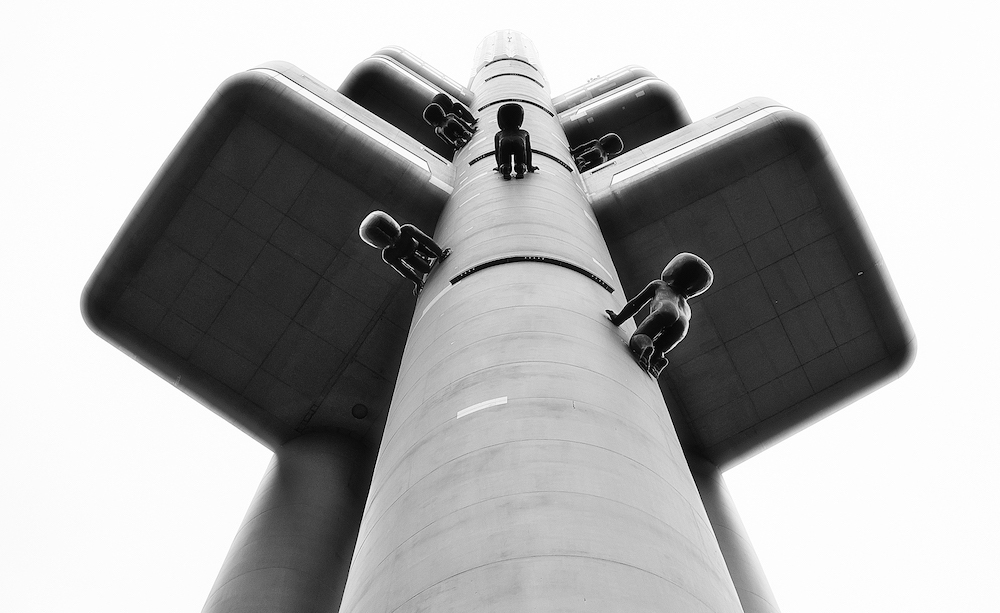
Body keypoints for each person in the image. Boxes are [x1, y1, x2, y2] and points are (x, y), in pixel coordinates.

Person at [605, 253, 713, 377]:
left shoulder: (659, 285)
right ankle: (658, 359)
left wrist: (617, 319)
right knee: (660, 348)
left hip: (667, 308)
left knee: (639, 337)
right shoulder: (687, 309)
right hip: (683, 324)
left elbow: (636, 304)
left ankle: (645, 348)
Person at [359, 211, 451, 295]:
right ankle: (429, 257)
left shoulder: (406, 230)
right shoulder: (388, 254)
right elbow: (404, 270)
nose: (393, 240)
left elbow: (425, 240)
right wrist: (417, 281)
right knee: (425, 269)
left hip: (415, 246)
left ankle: (430, 255)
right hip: (409, 255)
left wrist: (440, 253)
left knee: (430, 257)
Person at [493, 103, 538, 180]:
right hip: (519, 142)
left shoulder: (498, 134)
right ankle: (520, 170)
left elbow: (497, 152)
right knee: (520, 163)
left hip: (505, 142)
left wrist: (499, 165)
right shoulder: (524, 133)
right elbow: (528, 151)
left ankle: (505, 170)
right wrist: (530, 166)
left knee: (505, 163)